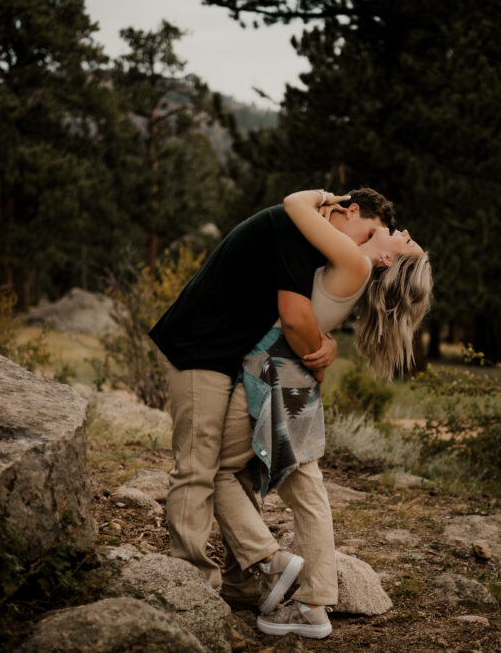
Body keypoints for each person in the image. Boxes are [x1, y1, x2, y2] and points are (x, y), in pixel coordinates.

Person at [148, 188, 396, 600]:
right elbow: (294, 317)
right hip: (198, 347)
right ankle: (192, 587)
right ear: (350, 211)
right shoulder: (294, 228)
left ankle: (241, 583)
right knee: (198, 465)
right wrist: (318, 353)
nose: (364, 245)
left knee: (240, 468)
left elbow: (307, 312)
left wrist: (328, 341)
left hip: (234, 354)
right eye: (368, 232)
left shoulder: (314, 241)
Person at [213, 189, 432, 639]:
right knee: (307, 490)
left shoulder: (355, 262)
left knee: (213, 471)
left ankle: (270, 560)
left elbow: (294, 205)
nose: (403, 231)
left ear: (389, 263)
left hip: (273, 371)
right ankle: (314, 604)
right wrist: (325, 347)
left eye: (405, 241)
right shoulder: (353, 267)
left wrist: (330, 198)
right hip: (300, 379)